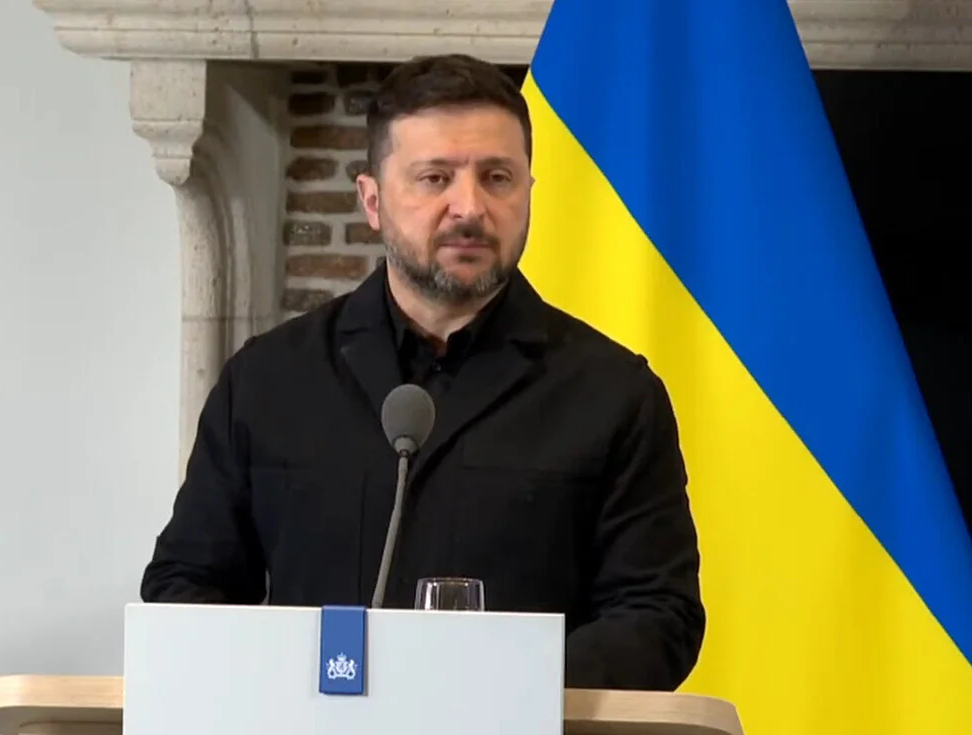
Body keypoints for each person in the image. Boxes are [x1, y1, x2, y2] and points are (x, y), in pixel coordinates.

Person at [140, 53, 705, 692]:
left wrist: (506, 695)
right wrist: (289, 685)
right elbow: (185, 586)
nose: (469, 207)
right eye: (436, 178)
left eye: (497, 177)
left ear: (528, 193)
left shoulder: (614, 393)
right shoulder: (267, 381)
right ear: (372, 200)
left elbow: (658, 615)